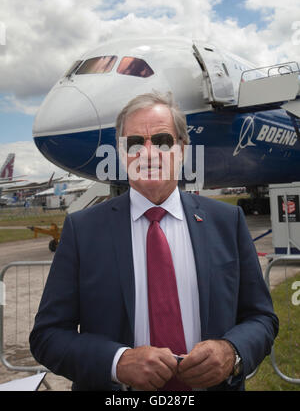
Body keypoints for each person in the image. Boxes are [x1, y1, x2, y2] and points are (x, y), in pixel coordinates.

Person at [29, 92, 278, 391]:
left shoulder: (228, 221)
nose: (148, 153)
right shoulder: (82, 230)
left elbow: (261, 317)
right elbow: (47, 336)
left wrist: (232, 352)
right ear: (122, 154)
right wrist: (116, 362)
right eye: (135, 143)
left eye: (162, 141)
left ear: (183, 149)